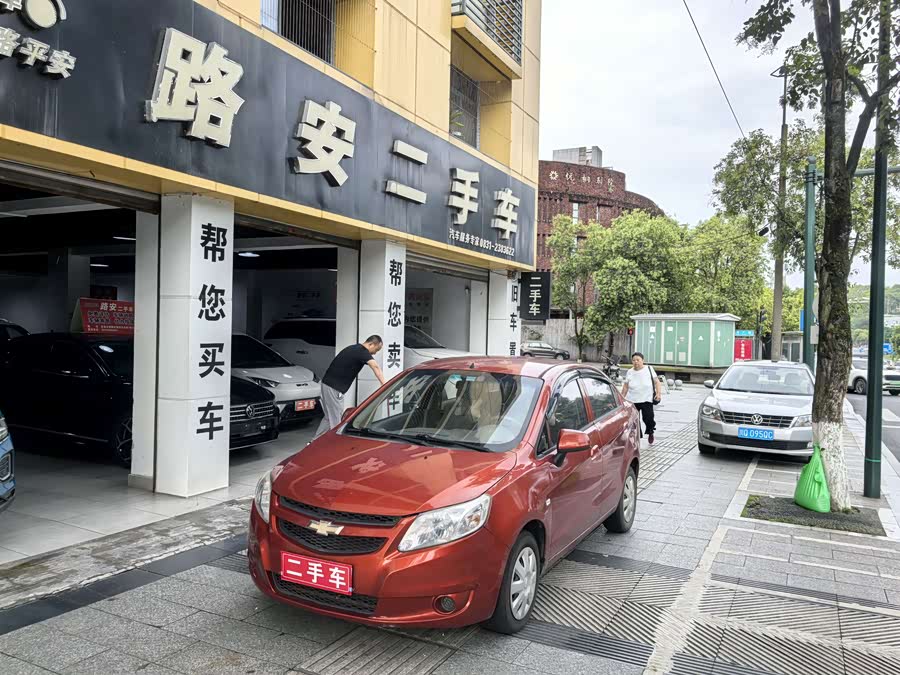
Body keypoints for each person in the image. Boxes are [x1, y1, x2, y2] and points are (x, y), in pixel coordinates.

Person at [314, 335, 386, 439]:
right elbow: (375, 366)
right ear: (371, 344)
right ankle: (336, 445)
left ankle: (314, 442)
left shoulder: (353, 348)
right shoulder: (362, 352)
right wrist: (384, 384)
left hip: (327, 384)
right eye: (376, 350)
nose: (375, 353)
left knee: (329, 418)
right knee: (336, 419)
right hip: (334, 388)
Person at [621, 351, 661, 445]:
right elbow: (626, 386)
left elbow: (657, 382)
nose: (636, 362)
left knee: (648, 418)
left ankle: (650, 431)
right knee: (634, 420)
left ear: (643, 360)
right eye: (634, 360)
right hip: (633, 400)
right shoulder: (629, 372)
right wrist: (622, 398)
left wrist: (658, 393)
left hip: (646, 399)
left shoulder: (649, 369)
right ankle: (637, 437)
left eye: (638, 360)